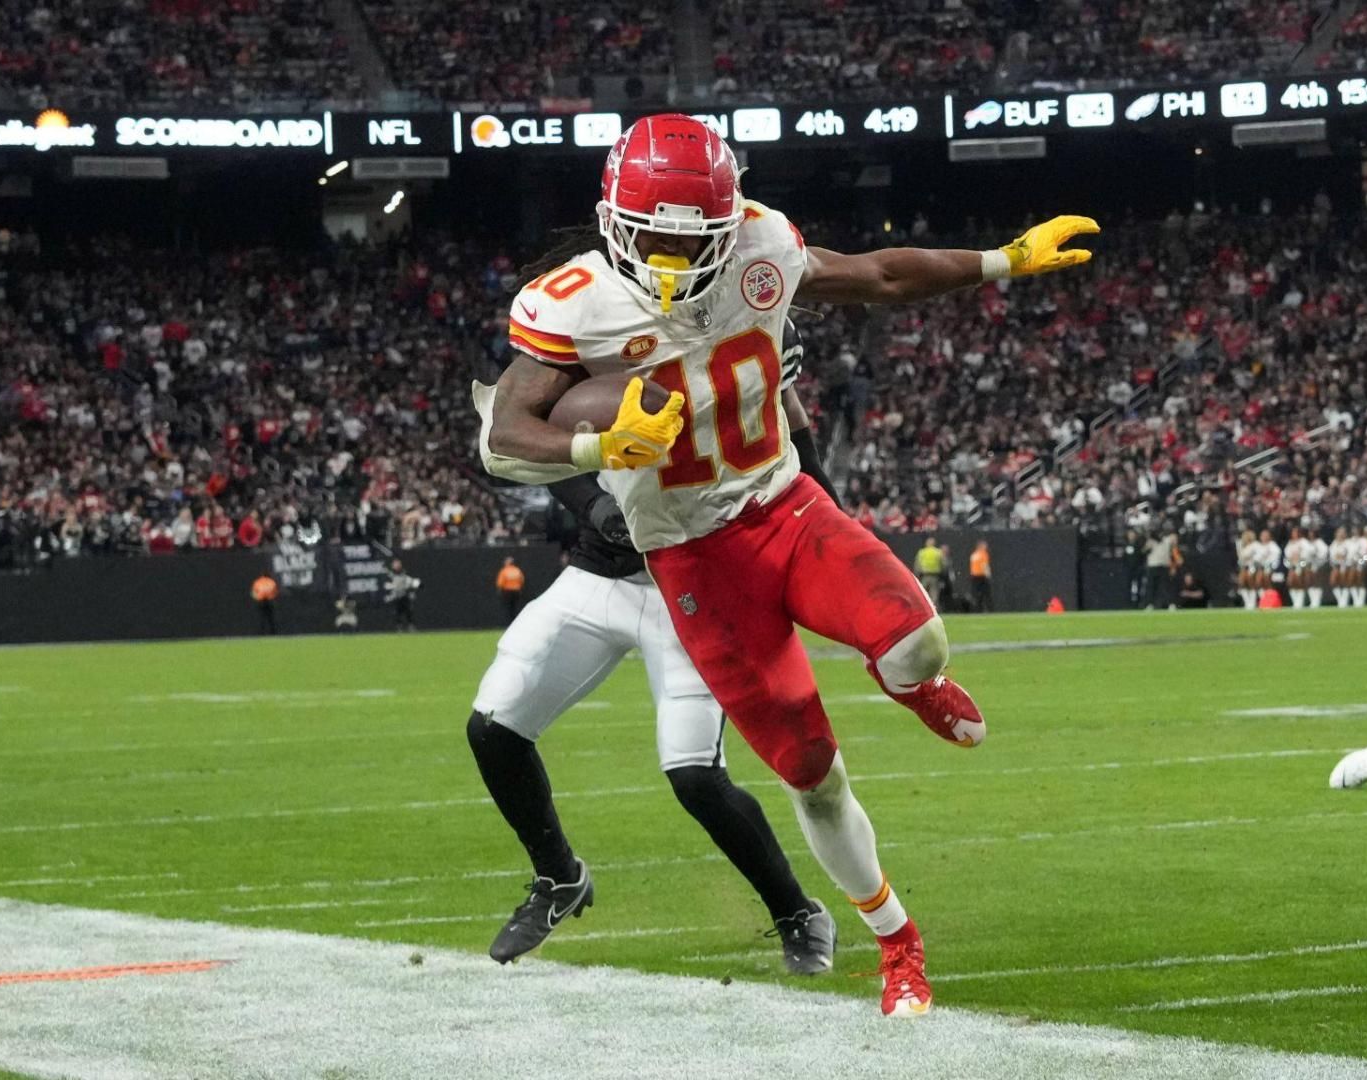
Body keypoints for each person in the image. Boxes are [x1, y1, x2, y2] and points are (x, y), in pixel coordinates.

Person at [473, 112, 1097, 1017]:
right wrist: (594, 444)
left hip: (783, 506)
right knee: (811, 770)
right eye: (657, 239)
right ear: (615, 220)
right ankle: (898, 944)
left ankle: (914, 686)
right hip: (690, 559)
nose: (678, 263)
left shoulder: (762, 242)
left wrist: (1004, 260)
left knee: (919, 642)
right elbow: (504, 435)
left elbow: (878, 273)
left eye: (700, 242)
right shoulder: (572, 302)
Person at [468, 317, 839, 974]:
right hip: (603, 573)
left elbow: (800, 454)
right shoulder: (610, 331)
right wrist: (594, 507)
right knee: (494, 724)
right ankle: (560, 877)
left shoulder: (751, 367)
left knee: (695, 776)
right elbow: (537, 444)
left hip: (695, 593)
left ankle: (794, 909)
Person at [913, 536, 946, 611]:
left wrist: (917, 575)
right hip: (935, 576)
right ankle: (933, 610)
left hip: (925, 576)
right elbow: (943, 564)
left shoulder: (922, 552)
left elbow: (917, 564)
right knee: (934, 595)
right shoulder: (938, 552)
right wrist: (943, 575)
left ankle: (923, 610)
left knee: (923, 594)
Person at [387, 560, 420, 631]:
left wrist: (412, 592)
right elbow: (389, 584)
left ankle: (411, 626)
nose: (396, 566)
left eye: (397, 564)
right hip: (396, 596)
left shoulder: (404, 573)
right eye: (395, 565)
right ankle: (399, 627)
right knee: (397, 613)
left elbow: (412, 582)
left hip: (404, 595)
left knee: (408, 611)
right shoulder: (391, 574)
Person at [496, 556, 526, 622]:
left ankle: (509, 622)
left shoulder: (504, 571)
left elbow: (500, 583)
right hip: (516, 591)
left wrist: (499, 590)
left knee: (508, 608)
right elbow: (522, 580)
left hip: (507, 591)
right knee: (515, 607)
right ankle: (516, 621)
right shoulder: (517, 570)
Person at [969, 540, 993, 613]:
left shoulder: (974, 554)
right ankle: (988, 609)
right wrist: (988, 575)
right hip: (981, 576)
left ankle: (977, 609)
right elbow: (984, 565)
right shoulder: (983, 554)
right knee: (986, 593)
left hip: (974, 576)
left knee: (977, 594)